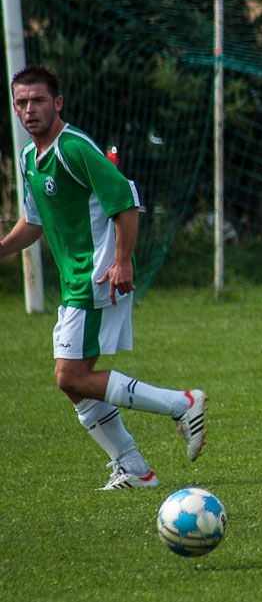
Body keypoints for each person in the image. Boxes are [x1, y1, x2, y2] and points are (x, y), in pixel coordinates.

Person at [0, 65, 206, 490]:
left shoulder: (74, 148)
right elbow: (34, 222)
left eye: (38, 100)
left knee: (70, 376)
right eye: (21, 102)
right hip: (74, 283)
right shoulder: (29, 159)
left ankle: (181, 403)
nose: (29, 109)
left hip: (98, 278)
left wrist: (122, 260)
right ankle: (134, 467)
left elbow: (125, 200)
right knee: (76, 384)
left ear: (58, 103)